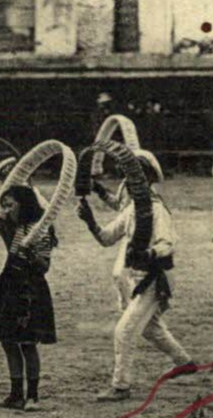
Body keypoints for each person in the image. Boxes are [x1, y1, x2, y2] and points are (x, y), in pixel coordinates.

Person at [77, 151, 196, 401]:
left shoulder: (156, 209)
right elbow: (107, 238)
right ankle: (184, 362)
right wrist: (90, 221)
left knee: (125, 330)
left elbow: (167, 244)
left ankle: (121, 385)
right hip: (139, 277)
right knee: (150, 328)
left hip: (155, 278)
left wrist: (149, 253)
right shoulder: (133, 208)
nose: (127, 183)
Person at [0, 183, 58, 411]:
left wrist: (30, 253)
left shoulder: (40, 230)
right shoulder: (17, 227)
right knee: (8, 340)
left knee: (28, 343)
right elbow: (10, 248)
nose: (7, 210)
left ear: (24, 204)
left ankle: (33, 395)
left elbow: (44, 266)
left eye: (11, 205)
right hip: (10, 282)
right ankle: (16, 393)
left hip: (30, 287)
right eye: (5, 206)